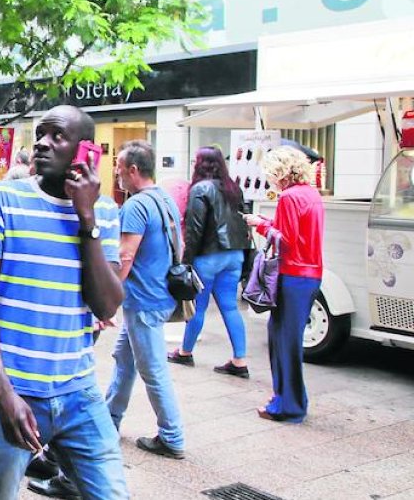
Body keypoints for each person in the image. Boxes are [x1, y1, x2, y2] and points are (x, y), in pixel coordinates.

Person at [0, 105, 127, 499]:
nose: (42, 142)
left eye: (57, 135)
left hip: (78, 389)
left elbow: (105, 306)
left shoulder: (104, 211)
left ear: (85, 150)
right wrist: (3, 392)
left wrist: (86, 219)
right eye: (40, 133)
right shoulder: (1, 200)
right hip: (14, 387)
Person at [104, 140, 186, 459]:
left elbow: (125, 255)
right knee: (125, 360)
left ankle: (172, 436)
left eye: (120, 168)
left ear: (134, 170)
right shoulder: (163, 198)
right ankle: (109, 418)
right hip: (160, 293)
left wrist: (108, 298)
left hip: (144, 300)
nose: (117, 173)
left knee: (153, 370)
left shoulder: (136, 206)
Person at [245, 146, 325, 423]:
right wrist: (268, 223)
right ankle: (286, 399)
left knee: (283, 341)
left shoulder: (289, 197)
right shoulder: (311, 194)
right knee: (284, 338)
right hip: (310, 273)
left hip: (292, 274)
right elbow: (295, 234)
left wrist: (259, 224)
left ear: (280, 171)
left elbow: (285, 241)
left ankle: (288, 404)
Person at [169, 146, 252, 377]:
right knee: (230, 307)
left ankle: (185, 352)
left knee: (198, 307)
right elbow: (243, 220)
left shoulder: (200, 189)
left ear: (201, 163)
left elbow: (195, 230)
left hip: (208, 256)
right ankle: (239, 360)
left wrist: (185, 262)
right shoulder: (233, 187)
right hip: (234, 254)